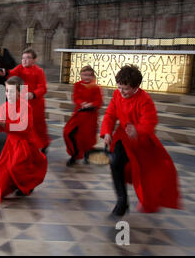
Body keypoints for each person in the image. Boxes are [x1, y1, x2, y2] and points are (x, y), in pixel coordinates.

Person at [100, 65, 181, 217]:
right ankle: (122, 201)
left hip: (140, 141)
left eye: (125, 89)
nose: (121, 92)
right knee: (115, 163)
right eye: (119, 88)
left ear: (136, 86)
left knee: (147, 174)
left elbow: (150, 121)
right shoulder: (118, 95)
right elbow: (110, 114)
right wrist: (106, 132)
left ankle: (130, 200)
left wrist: (138, 130)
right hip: (122, 137)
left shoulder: (145, 100)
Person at [0, 76, 48, 202]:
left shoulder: (25, 107)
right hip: (11, 143)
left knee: (16, 167)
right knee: (4, 170)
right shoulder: (4, 106)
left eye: (11, 91)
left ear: (19, 92)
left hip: (24, 143)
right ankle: (16, 186)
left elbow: (24, 127)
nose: (8, 94)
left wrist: (5, 125)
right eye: (6, 91)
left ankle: (28, 185)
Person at [8, 48, 50, 153]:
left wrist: (33, 94)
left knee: (37, 126)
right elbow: (10, 74)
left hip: (36, 103)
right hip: (23, 102)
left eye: (28, 58)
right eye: (23, 58)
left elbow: (43, 88)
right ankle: (27, 145)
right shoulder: (20, 68)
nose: (24, 60)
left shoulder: (39, 71)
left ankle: (44, 144)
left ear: (34, 60)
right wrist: (2, 71)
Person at [63, 65, 103, 166]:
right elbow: (75, 97)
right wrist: (82, 103)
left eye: (89, 75)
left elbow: (99, 101)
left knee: (87, 138)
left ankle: (87, 154)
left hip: (90, 116)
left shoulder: (96, 87)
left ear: (93, 76)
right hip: (79, 115)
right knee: (68, 132)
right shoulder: (77, 85)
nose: (87, 77)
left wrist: (91, 104)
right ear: (80, 75)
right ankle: (74, 154)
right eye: (84, 75)